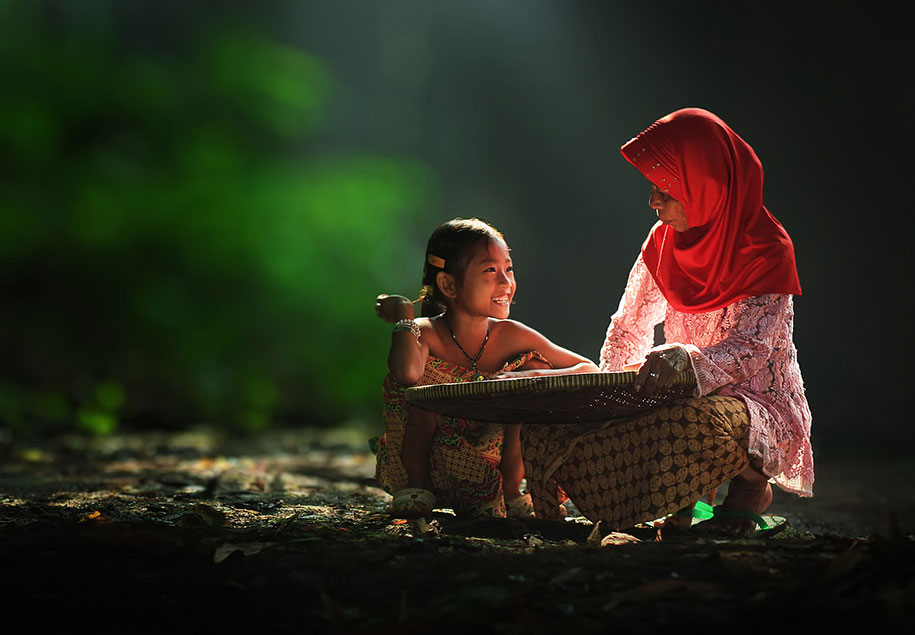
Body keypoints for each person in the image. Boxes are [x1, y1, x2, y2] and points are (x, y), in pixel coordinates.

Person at [521, 108, 813, 536]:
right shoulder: (662, 242)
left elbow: (752, 350)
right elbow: (629, 327)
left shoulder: (765, 250)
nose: (653, 202)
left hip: (752, 402)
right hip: (679, 393)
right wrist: (611, 396)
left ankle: (750, 485)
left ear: (708, 188)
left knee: (692, 423)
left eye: (666, 190)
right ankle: (688, 493)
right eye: (653, 189)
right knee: (570, 423)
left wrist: (686, 359)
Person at [374, 218, 598, 519]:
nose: (506, 283)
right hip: (440, 462)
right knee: (423, 389)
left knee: (531, 370)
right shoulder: (424, 332)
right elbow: (405, 373)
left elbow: (588, 369)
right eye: (490, 271)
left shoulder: (511, 335)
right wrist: (405, 317)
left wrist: (534, 377)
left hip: (493, 458)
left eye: (509, 269)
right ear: (448, 284)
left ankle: (511, 493)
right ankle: (416, 487)